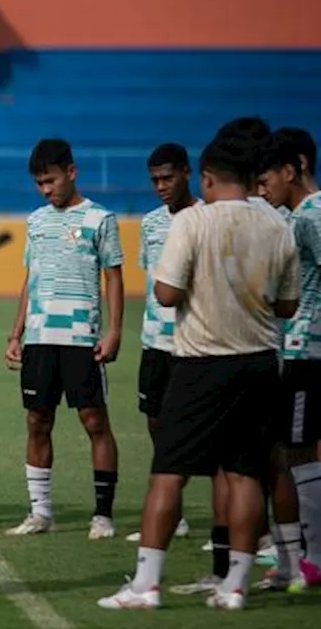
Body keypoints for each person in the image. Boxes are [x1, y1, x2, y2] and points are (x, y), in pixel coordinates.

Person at [98, 131, 300, 611]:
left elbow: (165, 293)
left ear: (206, 178)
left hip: (200, 361)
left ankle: (146, 584)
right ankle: (235, 585)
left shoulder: (192, 222)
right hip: (258, 363)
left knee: (168, 473)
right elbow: (288, 305)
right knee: (246, 473)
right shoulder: (277, 225)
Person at [5, 138, 124, 539]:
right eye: (39, 183)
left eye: (50, 180)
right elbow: (30, 277)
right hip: (40, 338)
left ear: (70, 173)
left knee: (94, 421)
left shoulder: (100, 220)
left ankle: (103, 514)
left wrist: (114, 331)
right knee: (37, 421)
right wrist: (16, 332)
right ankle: (41, 513)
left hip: (81, 337)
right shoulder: (36, 221)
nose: (45, 190)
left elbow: (114, 277)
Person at [256, 129, 321, 591]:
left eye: (266, 181)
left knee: (297, 451)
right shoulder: (300, 216)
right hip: (296, 350)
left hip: (307, 352)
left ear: (291, 169)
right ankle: (299, 556)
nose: (263, 191)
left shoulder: (311, 217)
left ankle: (312, 558)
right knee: (289, 450)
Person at [125, 144, 197, 544]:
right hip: (154, 340)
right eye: (154, 180)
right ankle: (176, 514)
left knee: (198, 430)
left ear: (187, 172)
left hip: (194, 343)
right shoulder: (151, 224)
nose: (160, 186)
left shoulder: (204, 219)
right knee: (156, 423)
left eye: (167, 178)